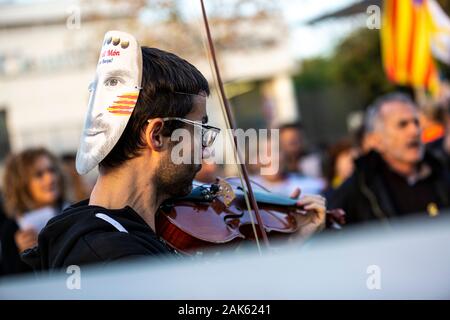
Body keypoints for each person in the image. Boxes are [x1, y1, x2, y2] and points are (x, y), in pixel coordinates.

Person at [22, 31, 326, 272]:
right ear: (156, 135)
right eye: (199, 129)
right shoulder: (115, 261)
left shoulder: (118, 231)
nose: (205, 148)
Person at [329, 93, 450, 225]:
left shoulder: (442, 171)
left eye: (416, 122)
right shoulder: (361, 187)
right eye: (402, 125)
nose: (414, 131)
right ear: (376, 140)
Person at [1, 147, 66, 275]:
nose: (50, 178)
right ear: (21, 183)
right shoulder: (12, 229)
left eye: (52, 170)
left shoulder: (74, 211)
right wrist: (23, 254)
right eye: (39, 174)